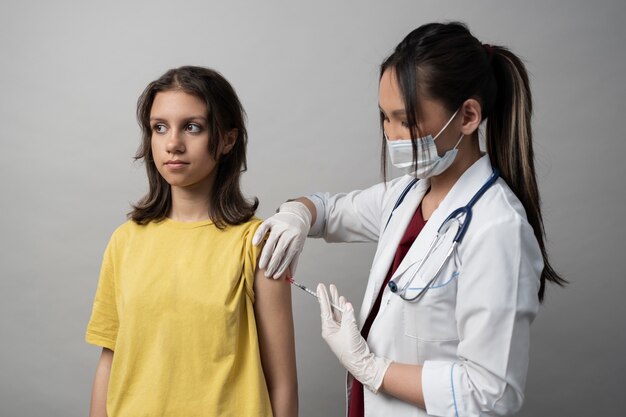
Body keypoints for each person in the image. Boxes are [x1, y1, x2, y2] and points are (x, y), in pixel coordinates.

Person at [253, 22, 565, 417]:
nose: (393, 136)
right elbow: (329, 210)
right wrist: (297, 215)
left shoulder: (497, 228)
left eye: (407, 120)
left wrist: (370, 368)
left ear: (468, 116)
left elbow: (491, 393)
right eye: (385, 118)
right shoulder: (407, 193)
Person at [86, 66, 297, 417]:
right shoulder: (124, 242)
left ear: (228, 139)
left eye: (192, 127)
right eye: (160, 127)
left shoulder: (257, 242)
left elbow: (283, 383)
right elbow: (109, 359)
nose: (173, 143)